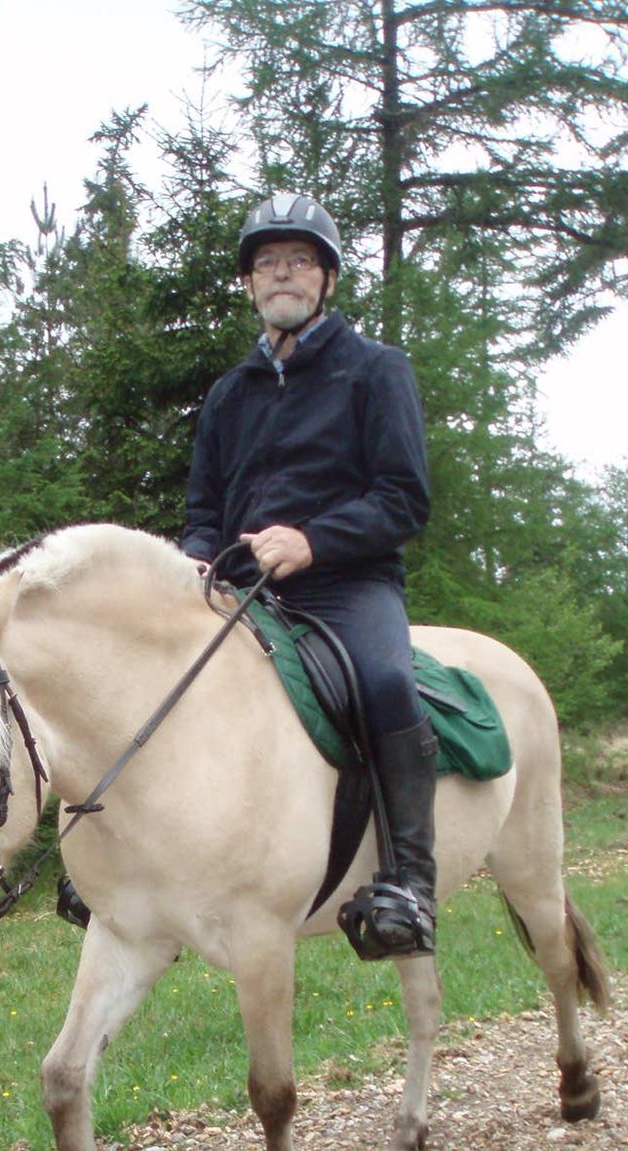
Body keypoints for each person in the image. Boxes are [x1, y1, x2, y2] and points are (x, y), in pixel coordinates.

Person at [181, 191, 438, 958]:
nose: (282, 274)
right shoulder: (229, 395)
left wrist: (313, 541)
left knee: (386, 682)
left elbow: (403, 498)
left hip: (347, 584)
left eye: (299, 260)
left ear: (326, 277)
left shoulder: (376, 371)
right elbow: (203, 509)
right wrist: (196, 559)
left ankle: (410, 885)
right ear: (249, 283)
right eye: (267, 263)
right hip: (243, 591)